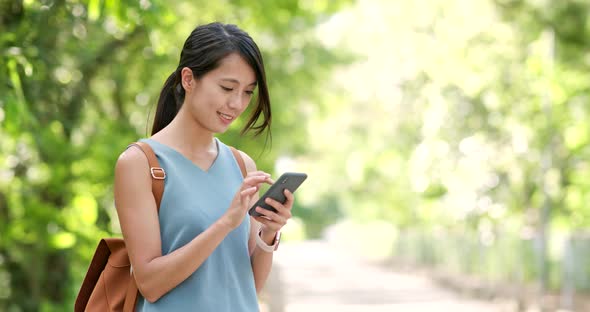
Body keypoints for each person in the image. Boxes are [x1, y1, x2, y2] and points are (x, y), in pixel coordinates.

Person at [114, 22, 293, 311]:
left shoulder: (242, 165)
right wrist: (225, 224)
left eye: (248, 92)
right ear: (188, 79)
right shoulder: (140, 164)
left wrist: (268, 234)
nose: (237, 104)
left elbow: (249, 286)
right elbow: (150, 283)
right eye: (227, 87)